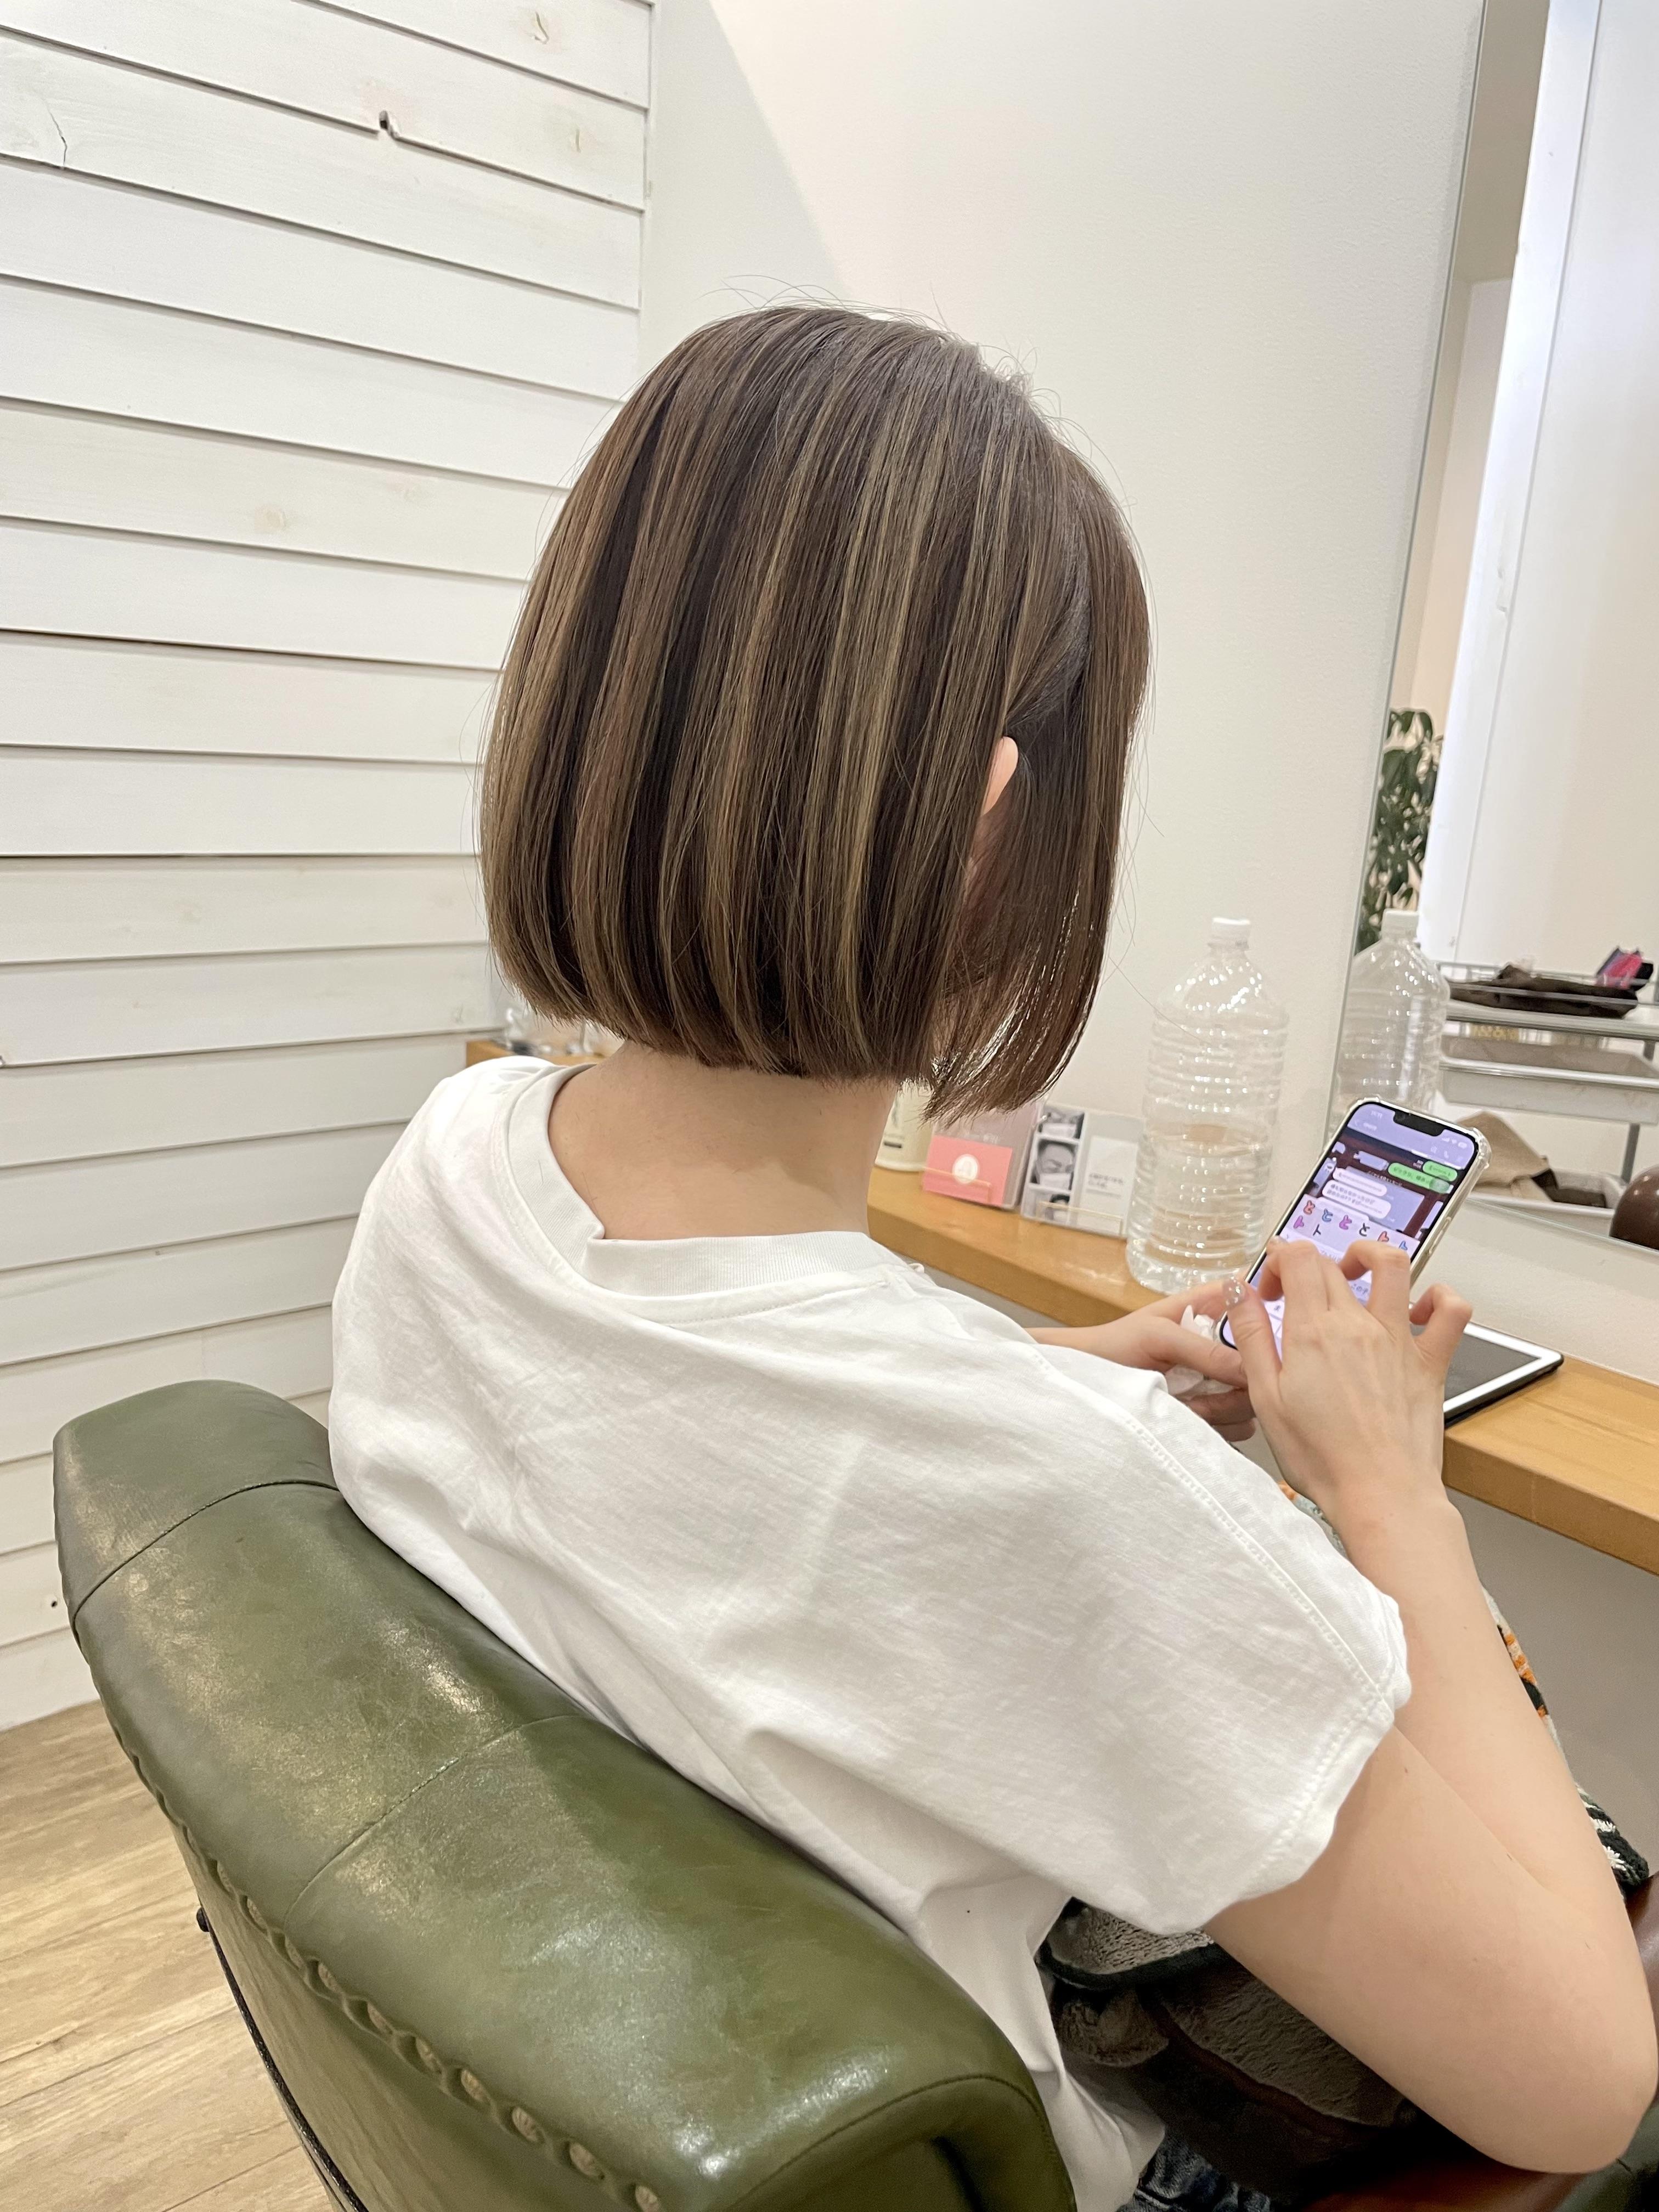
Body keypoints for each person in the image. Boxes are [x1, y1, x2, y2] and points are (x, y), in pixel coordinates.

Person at [330, 306, 1654, 2211]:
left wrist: (1051, 1377)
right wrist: (1391, 1493)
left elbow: (706, 1438)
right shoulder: (1065, 1506)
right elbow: (1582, 2085)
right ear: (983, 830)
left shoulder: (452, 1165)